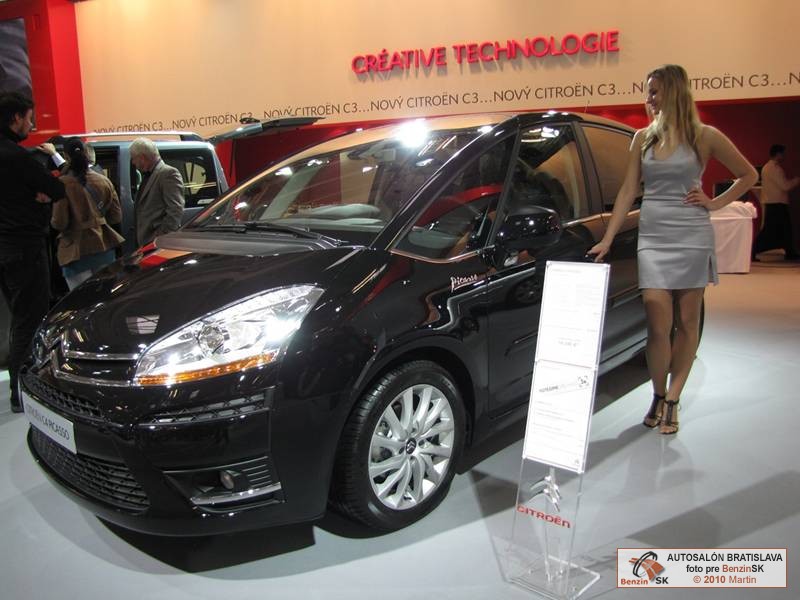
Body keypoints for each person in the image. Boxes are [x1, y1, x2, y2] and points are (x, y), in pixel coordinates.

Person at [588, 65, 757, 435]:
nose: (648, 99)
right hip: (654, 237)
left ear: (674, 91)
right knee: (656, 321)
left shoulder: (705, 136)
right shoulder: (642, 138)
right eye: (647, 91)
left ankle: (673, 399)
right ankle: (658, 392)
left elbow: (749, 174)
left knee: (688, 322)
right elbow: (628, 190)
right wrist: (609, 238)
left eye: (654, 91)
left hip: (692, 235)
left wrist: (715, 203)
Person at [0, 92, 66, 413]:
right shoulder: (18, 157)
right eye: (29, 118)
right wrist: (39, 197)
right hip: (25, 248)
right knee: (30, 321)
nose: (32, 124)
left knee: (19, 318)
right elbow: (57, 189)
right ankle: (23, 391)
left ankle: (19, 386)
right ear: (15, 118)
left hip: (5, 250)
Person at [52, 138, 124, 290]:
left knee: (81, 300)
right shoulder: (104, 181)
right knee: (104, 297)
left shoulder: (62, 184)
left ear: (66, 156)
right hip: (104, 247)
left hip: (75, 252)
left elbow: (60, 222)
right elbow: (116, 216)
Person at [129, 137, 184, 246]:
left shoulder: (168, 173)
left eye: (134, 158)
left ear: (142, 157)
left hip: (157, 242)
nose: (133, 162)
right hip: (146, 242)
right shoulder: (148, 174)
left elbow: (175, 210)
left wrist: (160, 238)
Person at [753, 144, 800, 260]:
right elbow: (785, 186)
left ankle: (789, 251)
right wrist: (797, 180)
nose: (784, 156)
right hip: (776, 203)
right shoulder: (774, 168)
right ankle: (752, 251)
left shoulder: (768, 167)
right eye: (783, 153)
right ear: (778, 154)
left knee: (781, 229)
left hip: (774, 202)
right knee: (773, 230)